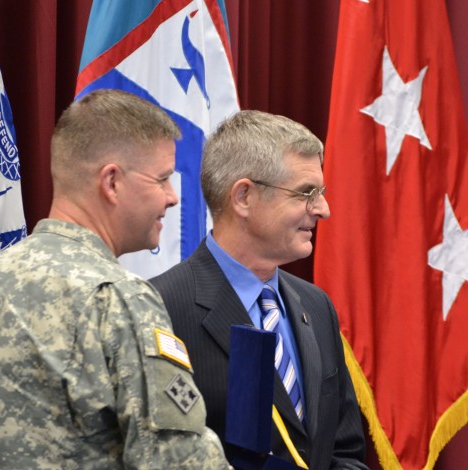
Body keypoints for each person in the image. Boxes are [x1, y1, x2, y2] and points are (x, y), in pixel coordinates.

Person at [0, 89, 230, 469]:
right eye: (162, 179)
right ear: (111, 182)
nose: (173, 197)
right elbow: (180, 461)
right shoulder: (118, 299)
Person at [150, 110, 368, 469]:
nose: (323, 209)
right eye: (305, 193)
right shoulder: (161, 307)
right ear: (244, 197)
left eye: (321, 192)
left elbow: (343, 451)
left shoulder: (315, 305)